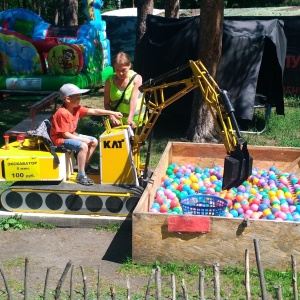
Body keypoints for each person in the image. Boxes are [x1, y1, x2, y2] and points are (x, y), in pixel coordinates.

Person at [50, 83, 123, 186]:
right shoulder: (62, 113)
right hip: (60, 139)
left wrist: (112, 113)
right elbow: (65, 134)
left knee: (94, 141)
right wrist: (82, 140)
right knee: (83, 146)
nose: (80, 100)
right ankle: (81, 175)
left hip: (71, 134)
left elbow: (94, 111)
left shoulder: (76, 108)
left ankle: (85, 166)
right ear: (67, 99)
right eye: (77, 97)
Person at [104, 51, 145, 129]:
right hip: (117, 122)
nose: (120, 73)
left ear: (129, 65)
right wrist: (112, 117)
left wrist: (130, 118)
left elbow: (134, 100)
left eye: (123, 70)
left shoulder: (137, 79)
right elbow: (106, 104)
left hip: (135, 120)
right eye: (117, 70)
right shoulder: (109, 82)